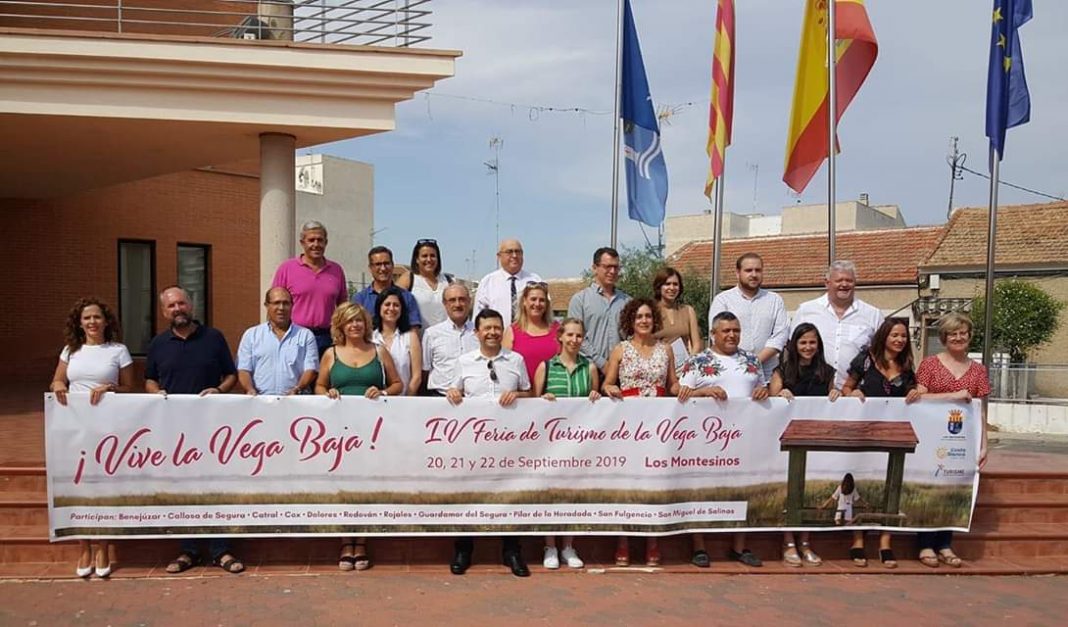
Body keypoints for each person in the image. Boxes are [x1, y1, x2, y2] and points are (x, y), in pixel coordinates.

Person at [146, 286, 243, 575]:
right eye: (171, 306)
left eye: (182, 303)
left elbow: (231, 376)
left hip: (211, 429)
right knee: (183, 490)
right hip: (175, 431)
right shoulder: (158, 344)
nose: (178, 309)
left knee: (215, 487)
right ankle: (188, 550)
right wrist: (156, 394)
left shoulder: (213, 338)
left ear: (191, 305)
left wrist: (219, 389)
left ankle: (221, 549)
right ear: (165, 312)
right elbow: (149, 379)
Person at [49, 297, 134, 578]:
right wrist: (59, 383)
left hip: (106, 428)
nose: (92, 322)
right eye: (87, 318)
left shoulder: (118, 350)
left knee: (103, 485)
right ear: (80, 322)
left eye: (97, 317)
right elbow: (57, 381)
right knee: (79, 486)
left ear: (106, 321)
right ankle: (84, 545)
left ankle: (103, 546)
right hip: (74, 427)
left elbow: (129, 387)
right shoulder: (70, 351)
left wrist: (110, 387)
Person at [316, 302, 404, 571]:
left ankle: (361, 541)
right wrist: (327, 394)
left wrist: (384, 392)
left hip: (373, 431)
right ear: (340, 325)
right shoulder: (330, 354)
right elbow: (319, 385)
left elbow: (398, 384)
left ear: (366, 324)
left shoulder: (379, 351)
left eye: (359, 321)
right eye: (349, 321)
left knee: (366, 483)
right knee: (343, 485)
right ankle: (345, 541)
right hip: (339, 433)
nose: (355, 325)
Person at [676, 311, 769, 568]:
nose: (731, 335)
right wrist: (703, 391)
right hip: (705, 439)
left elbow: (763, 388)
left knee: (745, 489)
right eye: (726, 331)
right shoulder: (697, 361)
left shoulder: (752, 360)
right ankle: (699, 546)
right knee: (702, 489)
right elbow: (681, 394)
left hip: (744, 437)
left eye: (736, 331)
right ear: (713, 334)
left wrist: (765, 391)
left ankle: (740, 547)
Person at [446, 308, 533, 577]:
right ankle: (464, 550)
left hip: (509, 444)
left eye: (497, 328)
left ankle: (511, 551)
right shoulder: (464, 362)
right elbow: (454, 391)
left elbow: (530, 393)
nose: (493, 333)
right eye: (487, 328)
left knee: (510, 496)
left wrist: (518, 395)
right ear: (477, 332)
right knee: (469, 495)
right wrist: (452, 393)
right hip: (473, 445)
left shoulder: (516, 360)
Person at [602, 298, 679, 567]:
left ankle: (651, 540)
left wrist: (695, 390)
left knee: (653, 483)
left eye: (648, 316)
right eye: (639, 317)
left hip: (658, 424)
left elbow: (673, 385)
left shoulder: (666, 350)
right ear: (630, 321)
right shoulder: (621, 350)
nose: (644, 320)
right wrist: (610, 389)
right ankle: (623, 540)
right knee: (628, 483)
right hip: (628, 424)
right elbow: (608, 383)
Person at [841, 317, 922, 569]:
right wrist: (853, 393)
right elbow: (846, 388)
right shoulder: (865, 360)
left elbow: (913, 391)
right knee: (862, 482)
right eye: (894, 335)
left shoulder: (907, 364)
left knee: (891, 485)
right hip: (864, 432)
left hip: (895, 434)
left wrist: (914, 392)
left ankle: (885, 542)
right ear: (884, 336)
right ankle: (858, 540)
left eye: (903, 336)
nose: (899, 340)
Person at [915, 312, 991, 569]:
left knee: (954, 491)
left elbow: (981, 410)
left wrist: (984, 444)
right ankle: (925, 543)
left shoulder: (979, 371)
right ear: (944, 338)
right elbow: (919, 399)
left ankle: (945, 544)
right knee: (930, 489)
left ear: (969, 336)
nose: (958, 338)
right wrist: (953, 395)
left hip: (962, 443)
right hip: (933, 439)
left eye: (963, 333)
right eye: (952, 334)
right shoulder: (929, 365)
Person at [768, 323, 841, 567]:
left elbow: (836, 395)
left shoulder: (828, 372)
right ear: (794, 345)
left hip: (816, 440)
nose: (808, 347)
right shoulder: (782, 371)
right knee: (790, 490)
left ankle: (806, 541)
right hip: (788, 441)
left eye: (812, 342)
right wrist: (779, 395)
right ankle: (788, 541)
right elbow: (770, 397)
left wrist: (837, 395)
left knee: (810, 490)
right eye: (803, 342)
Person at [533, 318, 601, 569]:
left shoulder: (590, 368)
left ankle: (568, 546)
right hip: (550, 444)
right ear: (560, 336)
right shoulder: (546, 367)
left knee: (573, 494)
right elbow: (533, 404)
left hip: (579, 444)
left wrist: (596, 395)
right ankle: (550, 545)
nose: (574, 340)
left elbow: (596, 403)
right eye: (570, 335)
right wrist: (544, 398)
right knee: (550, 493)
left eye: (579, 336)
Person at [791, 260, 884, 388]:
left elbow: (883, 353)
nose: (844, 284)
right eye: (839, 280)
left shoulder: (873, 314)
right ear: (827, 283)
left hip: (857, 394)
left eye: (849, 280)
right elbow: (791, 350)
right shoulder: (805, 311)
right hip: (814, 391)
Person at [271, 220, 349, 356]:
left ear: (326, 242)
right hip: (294, 336)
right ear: (302, 243)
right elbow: (275, 304)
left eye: (320, 240)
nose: (316, 244)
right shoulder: (287, 269)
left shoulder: (336, 270)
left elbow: (343, 306)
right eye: (311, 240)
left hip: (326, 338)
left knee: (324, 377)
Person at [708, 253, 788, 382]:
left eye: (758, 270)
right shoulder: (723, 300)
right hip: (731, 373)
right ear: (738, 273)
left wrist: (755, 361)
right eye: (748, 270)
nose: (754, 274)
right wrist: (742, 365)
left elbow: (780, 335)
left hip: (768, 374)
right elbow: (716, 336)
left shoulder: (775, 300)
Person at [237, 287, 318, 396]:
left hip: (295, 400)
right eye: (276, 303)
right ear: (267, 305)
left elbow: (311, 369)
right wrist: (249, 389)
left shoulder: (306, 335)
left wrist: (297, 389)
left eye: (286, 303)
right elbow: (243, 369)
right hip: (260, 401)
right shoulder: (251, 335)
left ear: (292, 305)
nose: (281, 308)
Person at [568, 247, 631, 372]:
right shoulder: (580, 300)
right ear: (594, 268)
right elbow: (576, 337)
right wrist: (602, 363)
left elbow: (632, 338)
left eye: (616, 267)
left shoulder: (627, 302)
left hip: (621, 372)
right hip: (587, 370)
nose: (612, 271)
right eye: (607, 266)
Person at [421, 284, 479, 396]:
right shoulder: (432, 334)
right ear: (445, 304)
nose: (457, 304)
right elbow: (425, 370)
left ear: (469, 302)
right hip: (440, 398)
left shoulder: (480, 333)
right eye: (452, 300)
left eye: (462, 299)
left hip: (472, 400)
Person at [474, 238, 542, 328]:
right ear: (499, 256)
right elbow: (477, 319)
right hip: (497, 338)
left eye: (518, 252)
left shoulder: (535, 280)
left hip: (529, 338)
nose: (514, 255)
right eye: (509, 252)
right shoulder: (488, 282)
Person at [351, 246, 422, 329]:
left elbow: (413, 331)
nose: (383, 268)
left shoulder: (407, 297)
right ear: (370, 268)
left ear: (392, 265)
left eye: (386, 263)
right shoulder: (360, 299)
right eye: (378, 264)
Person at [503, 282, 559, 384]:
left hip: (553, 394)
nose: (537, 304)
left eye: (542, 300)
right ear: (524, 301)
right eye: (533, 299)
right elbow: (504, 366)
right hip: (523, 395)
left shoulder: (558, 329)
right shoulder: (512, 331)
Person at [372, 286, 423, 396]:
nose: (391, 308)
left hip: (403, 400)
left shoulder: (410, 337)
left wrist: (407, 401)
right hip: (374, 401)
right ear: (379, 307)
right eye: (387, 304)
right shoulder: (369, 338)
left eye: (396, 305)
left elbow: (416, 377)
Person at [652, 267, 702, 366]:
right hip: (659, 366)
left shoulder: (688, 310)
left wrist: (689, 363)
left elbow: (696, 344)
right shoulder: (651, 311)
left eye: (675, 284)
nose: (672, 288)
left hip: (684, 367)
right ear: (659, 287)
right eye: (667, 284)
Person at [399, 239, 453, 327]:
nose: (429, 259)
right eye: (424, 256)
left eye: (432, 256)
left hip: (444, 339)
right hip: (417, 338)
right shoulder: (408, 279)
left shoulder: (448, 281)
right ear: (417, 259)